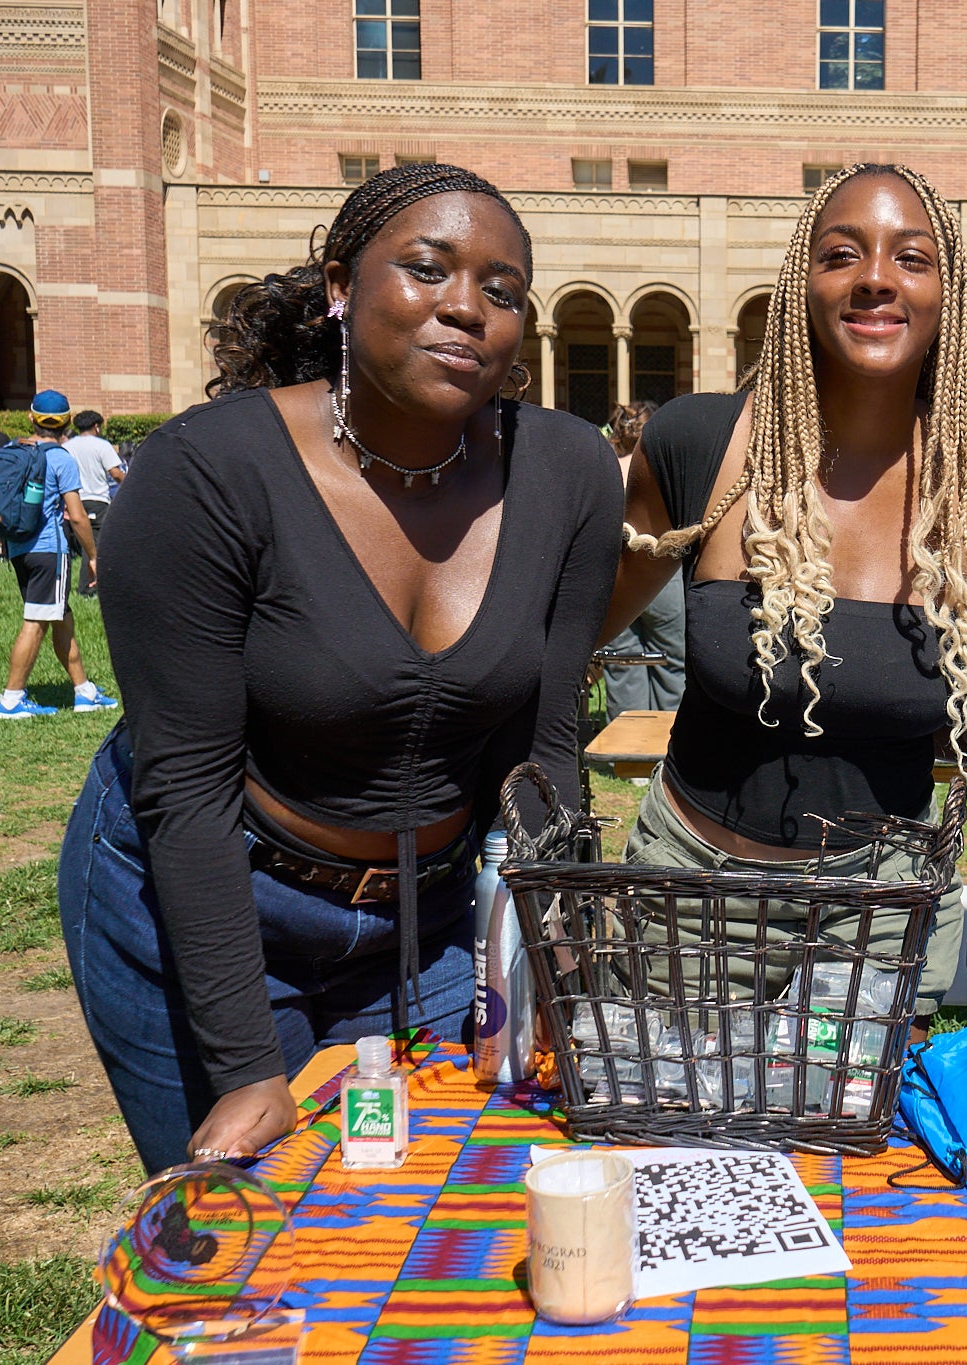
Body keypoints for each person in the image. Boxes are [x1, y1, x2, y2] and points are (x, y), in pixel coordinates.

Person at [57, 162, 622, 1172]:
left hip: (429, 916)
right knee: (257, 1249)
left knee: (447, 1207)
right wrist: (242, 1068)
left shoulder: (569, 470)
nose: (465, 307)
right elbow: (182, 787)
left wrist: (556, 970)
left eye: (501, 291)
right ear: (338, 286)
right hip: (214, 894)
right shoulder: (208, 472)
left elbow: (546, 754)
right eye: (426, 269)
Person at [605, 163, 967, 1021]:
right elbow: (566, 630)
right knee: (678, 1149)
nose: (876, 276)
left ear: (947, 294)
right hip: (692, 903)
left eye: (912, 257)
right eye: (843, 254)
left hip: (876, 922)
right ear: (803, 284)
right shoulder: (701, 443)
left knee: (856, 1156)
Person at [0, 392, 117, 720]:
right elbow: (76, 516)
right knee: (35, 623)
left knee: (61, 617)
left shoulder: (11, 451)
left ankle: (84, 691)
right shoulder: (60, 458)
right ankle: (11, 700)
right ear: (65, 422)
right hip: (50, 550)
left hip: (19, 549)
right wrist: (94, 555)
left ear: (31, 418)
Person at [600, 398, 685, 719]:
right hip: (661, 580)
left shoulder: (605, 467)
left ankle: (628, 758)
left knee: (622, 662)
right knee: (673, 662)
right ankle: (668, 743)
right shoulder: (660, 471)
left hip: (614, 577)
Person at [64, 410, 124, 598]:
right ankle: (90, 587)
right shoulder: (102, 445)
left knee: (84, 544)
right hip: (98, 501)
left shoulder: (68, 446)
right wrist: (130, 482)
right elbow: (115, 473)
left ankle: (88, 585)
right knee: (100, 545)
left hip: (74, 500)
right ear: (96, 426)